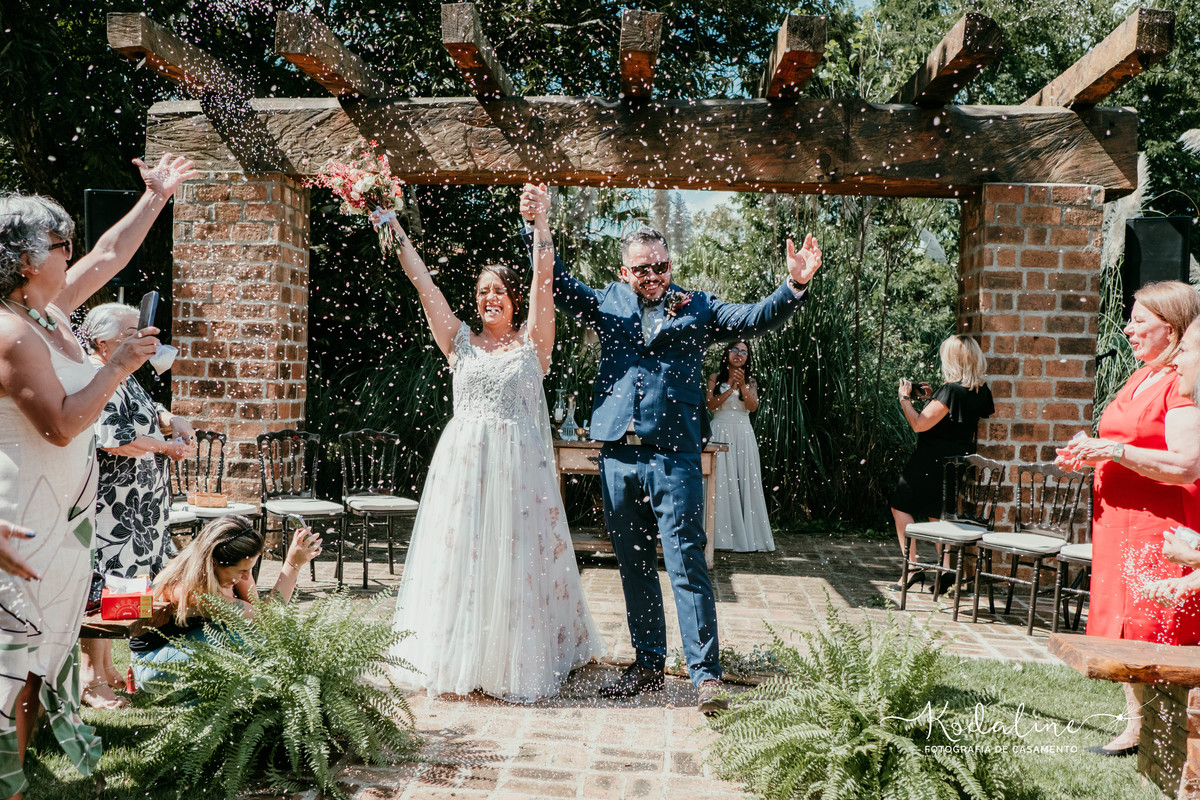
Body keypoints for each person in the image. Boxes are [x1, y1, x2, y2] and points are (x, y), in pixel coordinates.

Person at [522, 184, 821, 714]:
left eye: (661, 266)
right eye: (643, 269)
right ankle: (646, 665)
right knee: (633, 564)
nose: (654, 276)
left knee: (686, 563)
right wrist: (538, 228)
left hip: (674, 456)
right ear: (625, 272)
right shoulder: (606, 304)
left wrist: (793, 286)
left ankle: (706, 676)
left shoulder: (697, 307)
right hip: (617, 454)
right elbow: (555, 283)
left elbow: (753, 317)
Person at [0, 153, 194, 800]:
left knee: (41, 658)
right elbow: (58, 425)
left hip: (67, 513)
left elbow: (110, 257)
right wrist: (117, 370)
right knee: (10, 659)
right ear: (28, 259)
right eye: (61, 246)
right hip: (19, 509)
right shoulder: (11, 331)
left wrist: (155, 199)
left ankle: (18, 781)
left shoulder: (52, 317)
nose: (71, 254)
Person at [373, 185, 604, 703]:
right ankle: (460, 655)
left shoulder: (532, 344)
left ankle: (512, 657)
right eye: (482, 291)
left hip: (517, 471)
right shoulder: (457, 341)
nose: (490, 298)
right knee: (463, 561)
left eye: (499, 290)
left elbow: (545, 280)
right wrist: (389, 221)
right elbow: (422, 281)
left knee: (514, 560)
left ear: (514, 298)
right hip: (463, 470)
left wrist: (542, 225)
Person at [1055, 281, 1200, 757]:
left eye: (1140, 320)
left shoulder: (1183, 384)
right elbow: (1128, 445)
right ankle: (1139, 726)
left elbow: (1186, 465)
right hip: (1119, 522)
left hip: (1159, 525)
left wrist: (1113, 450)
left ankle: (1171, 730)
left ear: (1172, 327)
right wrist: (1093, 457)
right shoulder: (1141, 376)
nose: (1128, 329)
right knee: (1125, 622)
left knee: (1156, 622)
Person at [77, 303, 198, 710]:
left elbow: (146, 409)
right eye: (134, 331)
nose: (146, 338)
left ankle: (109, 665)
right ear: (104, 340)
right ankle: (90, 678)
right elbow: (113, 436)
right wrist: (166, 447)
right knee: (104, 591)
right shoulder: (97, 374)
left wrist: (170, 418)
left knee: (125, 590)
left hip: (140, 509)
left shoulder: (123, 373)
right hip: (114, 510)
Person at [129, 516, 321, 693]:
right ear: (213, 563)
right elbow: (265, 621)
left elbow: (264, 614)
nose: (246, 576)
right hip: (152, 666)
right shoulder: (188, 588)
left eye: (249, 569)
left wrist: (295, 564)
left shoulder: (236, 574)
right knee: (245, 636)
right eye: (242, 571)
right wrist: (292, 564)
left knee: (269, 635)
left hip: (188, 652)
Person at [888, 335, 994, 594]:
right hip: (955, 464)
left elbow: (919, 424)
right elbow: (953, 420)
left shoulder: (949, 391)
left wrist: (905, 399)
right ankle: (946, 571)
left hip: (930, 459)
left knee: (899, 504)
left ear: (952, 359)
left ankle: (912, 567)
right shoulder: (980, 390)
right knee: (937, 513)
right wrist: (931, 397)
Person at [706, 340, 774, 553]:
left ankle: (746, 535)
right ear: (727, 353)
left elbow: (752, 407)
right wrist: (731, 389)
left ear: (747, 357)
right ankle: (717, 536)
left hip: (743, 433)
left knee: (744, 479)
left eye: (744, 352)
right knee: (718, 482)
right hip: (719, 430)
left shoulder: (751, 381)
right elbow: (709, 405)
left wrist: (743, 386)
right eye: (735, 350)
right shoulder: (714, 378)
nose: (739, 354)